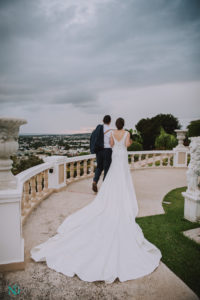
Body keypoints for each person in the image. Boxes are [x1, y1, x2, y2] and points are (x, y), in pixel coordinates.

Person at [30, 117, 162, 284]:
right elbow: (128, 145)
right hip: (122, 158)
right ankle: (123, 198)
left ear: (116, 125)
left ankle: (106, 192)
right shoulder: (128, 133)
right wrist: (127, 140)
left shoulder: (112, 132)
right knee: (123, 179)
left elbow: (112, 145)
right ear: (124, 125)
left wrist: (117, 142)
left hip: (116, 157)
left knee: (112, 178)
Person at [92, 115, 112, 193]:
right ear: (110, 121)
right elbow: (112, 143)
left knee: (99, 167)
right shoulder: (110, 131)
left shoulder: (98, 129)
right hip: (107, 151)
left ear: (103, 120)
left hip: (99, 150)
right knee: (106, 168)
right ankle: (104, 185)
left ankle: (94, 181)